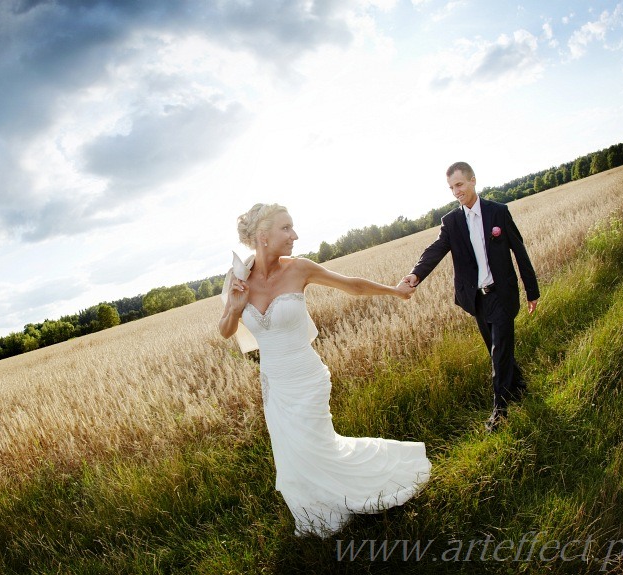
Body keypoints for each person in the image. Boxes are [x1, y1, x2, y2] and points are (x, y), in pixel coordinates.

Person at [219, 202, 431, 537]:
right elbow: (226, 329)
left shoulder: (299, 269)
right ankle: (319, 515)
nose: (295, 235)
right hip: (275, 386)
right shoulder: (237, 279)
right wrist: (233, 307)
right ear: (263, 236)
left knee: (321, 447)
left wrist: (395, 291)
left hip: (307, 378)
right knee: (294, 455)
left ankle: (379, 480)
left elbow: (352, 285)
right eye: (286, 228)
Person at [402, 162, 540, 433]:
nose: (456, 191)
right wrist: (415, 275)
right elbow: (436, 250)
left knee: (498, 353)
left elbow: (519, 252)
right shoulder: (451, 222)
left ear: (473, 181)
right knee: (497, 349)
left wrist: (531, 291)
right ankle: (520, 387)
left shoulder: (498, 213)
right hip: (477, 300)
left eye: (460, 185)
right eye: (452, 187)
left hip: (502, 293)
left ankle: (499, 412)